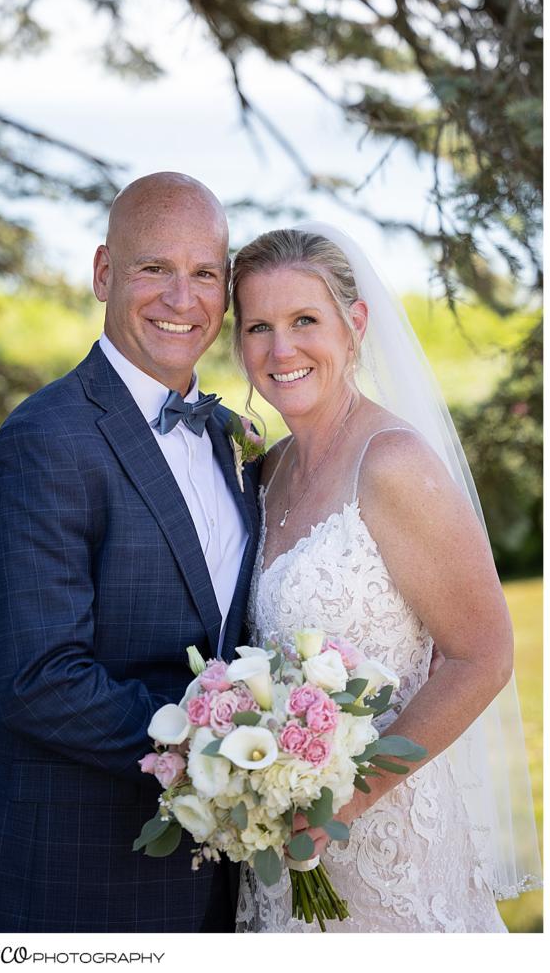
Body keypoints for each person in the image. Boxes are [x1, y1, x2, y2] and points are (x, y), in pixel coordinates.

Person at [0, 172, 260, 933]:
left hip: (207, 880)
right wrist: (231, 749)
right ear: (104, 272)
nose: (182, 298)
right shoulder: (45, 441)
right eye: (153, 269)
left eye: (204, 273)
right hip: (67, 877)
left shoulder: (228, 434)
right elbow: (38, 680)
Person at [231, 224, 541, 933]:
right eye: (258, 327)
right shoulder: (268, 471)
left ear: (354, 324)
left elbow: (482, 655)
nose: (281, 350)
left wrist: (347, 801)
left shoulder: (392, 461)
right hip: (277, 849)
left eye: (304, 320)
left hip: (388, 844)